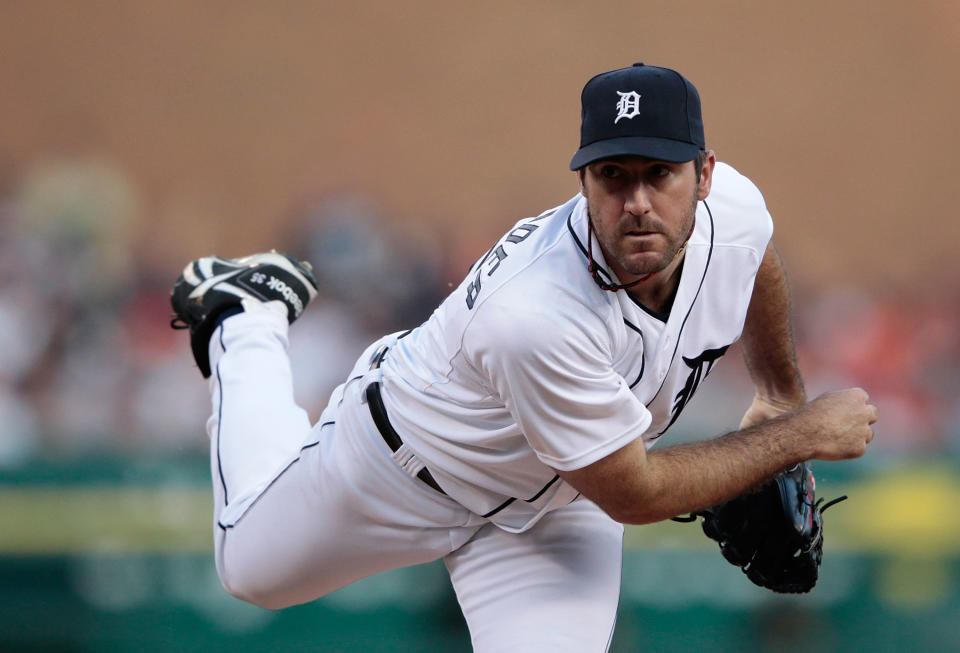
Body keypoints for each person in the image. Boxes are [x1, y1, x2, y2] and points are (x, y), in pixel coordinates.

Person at [170, 63, 877, 652]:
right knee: (249, 572)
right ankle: (244, 315)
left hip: (560, 503)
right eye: (612, 175)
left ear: (705, 175)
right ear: (582, 183)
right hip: (402, 469)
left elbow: (758, 262)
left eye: (659, 173)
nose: (636, 202)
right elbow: (635, 492)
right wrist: (803, 431)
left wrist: (779, 393)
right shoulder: (534, 314)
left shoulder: (738, 213)